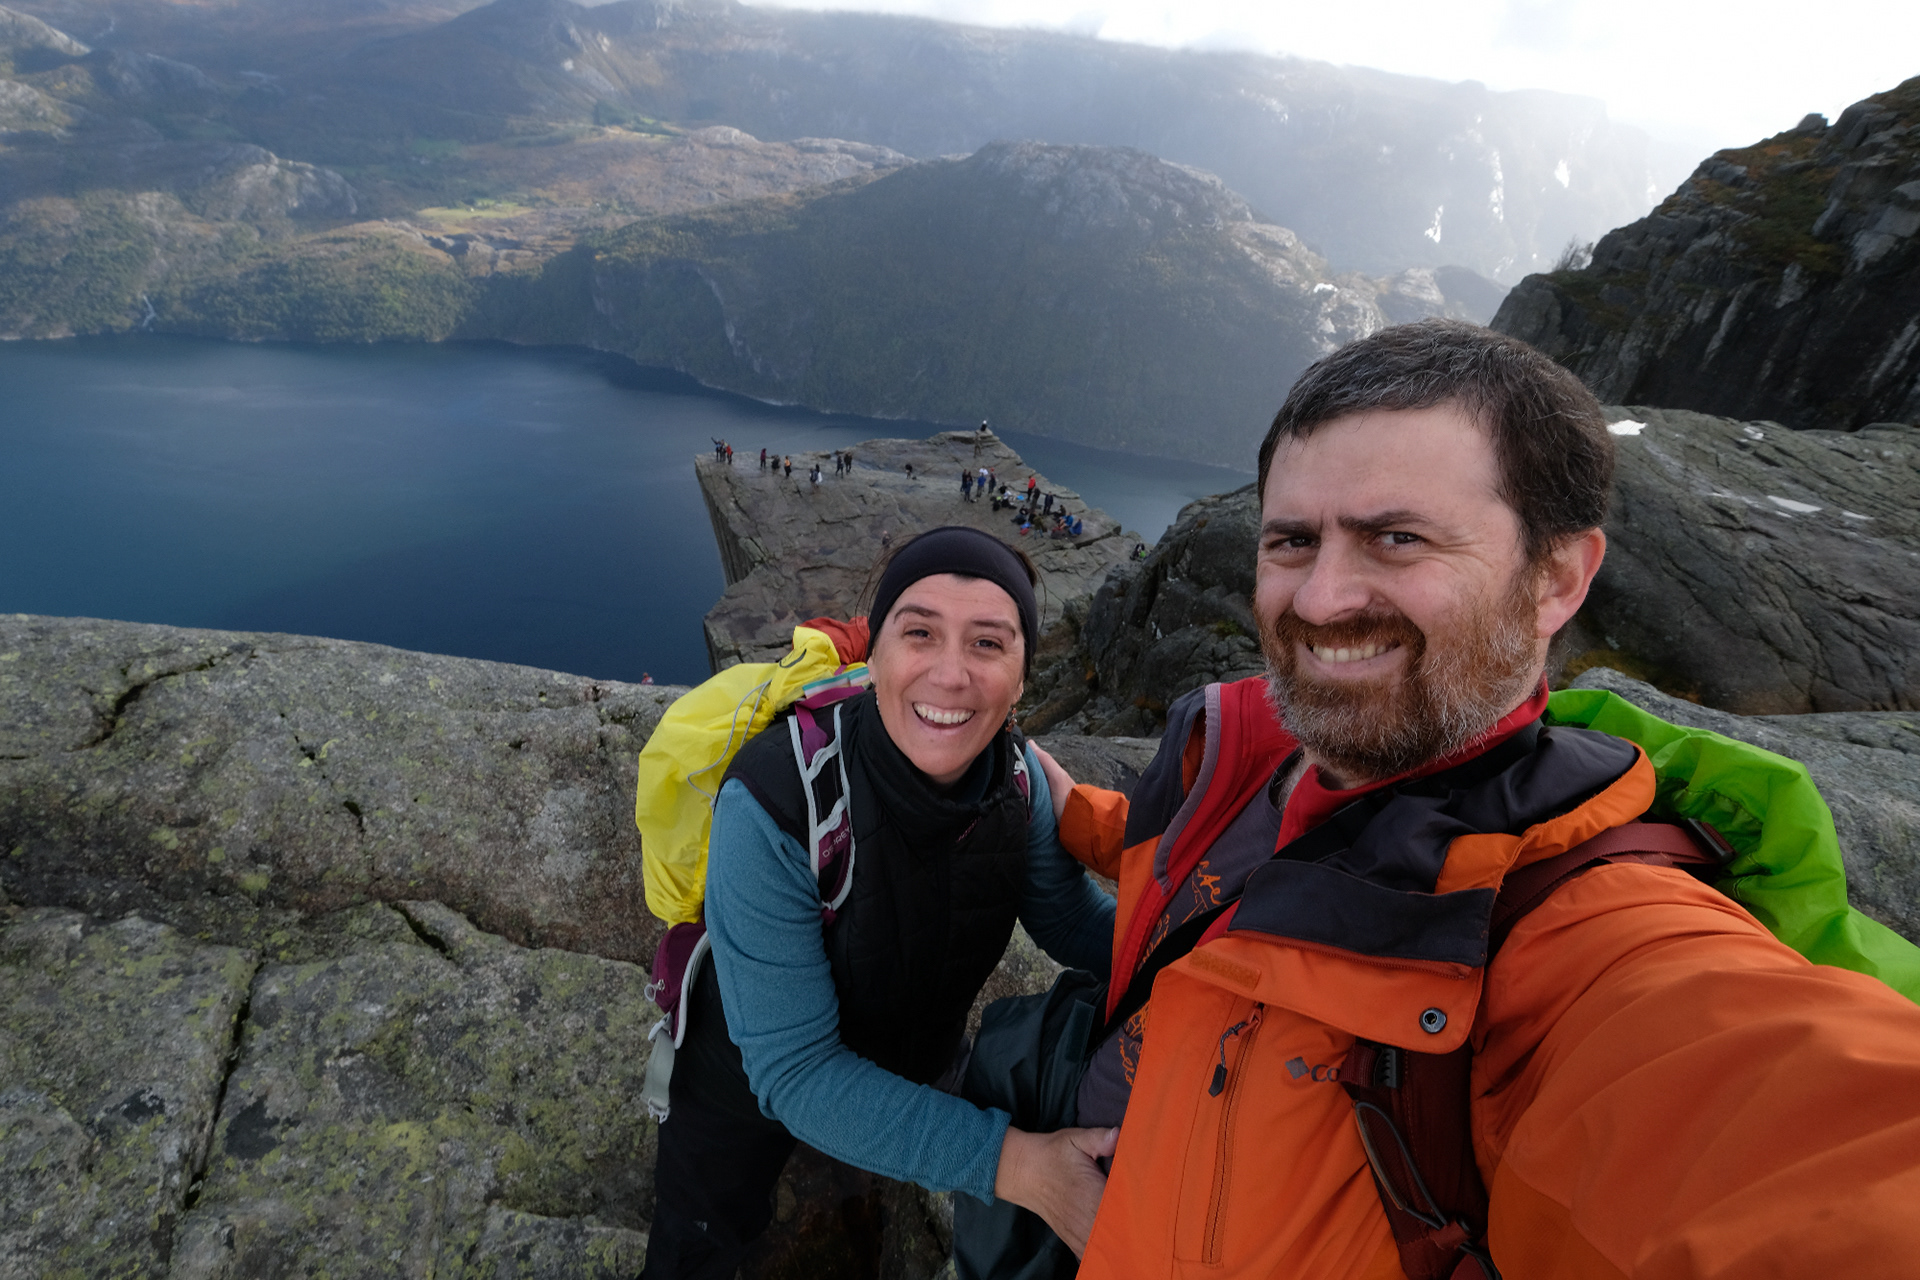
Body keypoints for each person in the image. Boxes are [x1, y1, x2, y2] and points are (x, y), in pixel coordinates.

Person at [967, 319, 1920, 1278]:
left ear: (1557, 579)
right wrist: (1067, 809)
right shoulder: (1241, 746)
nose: (1324, 597)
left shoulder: (1584, 933)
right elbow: (1215, 864)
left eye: (1397, 538)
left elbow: (1798, 1143)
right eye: (1293, 540)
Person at [640, 527, 1118, 1280]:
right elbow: (795, 1072)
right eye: (920, 632)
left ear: (1025, 675)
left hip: (913, 1053)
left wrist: (1207, 952)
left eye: (989, 644)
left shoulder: (1016, 779)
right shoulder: (779, 799)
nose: (951, 673)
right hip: (744, 1077)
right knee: (700, 1242)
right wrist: (1019, 1165)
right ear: (878, 655)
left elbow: (1066, 919)